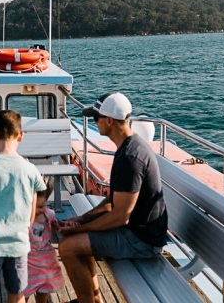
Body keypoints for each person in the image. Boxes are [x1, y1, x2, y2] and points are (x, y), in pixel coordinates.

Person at [58, 93, 167, 303]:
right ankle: (92, 299)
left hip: (142, 240)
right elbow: (111, 203)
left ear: (109, 121)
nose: (94, 121)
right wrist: (79, 221)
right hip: (136, 230)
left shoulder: (130, 158)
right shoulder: (127, 147)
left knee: (68, 247)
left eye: (96, 118)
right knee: (77, 240)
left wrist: (79, 230)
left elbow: (120, 217)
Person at [0, 110, 47, 303]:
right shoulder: (31, 170)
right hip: (18, 245)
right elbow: (31, 213)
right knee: (18, 293)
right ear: (21, 136)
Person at [23, 176, 65, 303]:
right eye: (34, 206)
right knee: (24, 289)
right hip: (27, 259)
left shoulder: (49, 214)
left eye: (42, 206)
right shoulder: (22, 219)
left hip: (46, 259)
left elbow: (56, 225)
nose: (38, 210)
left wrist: (62, 226)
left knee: (45, 287)